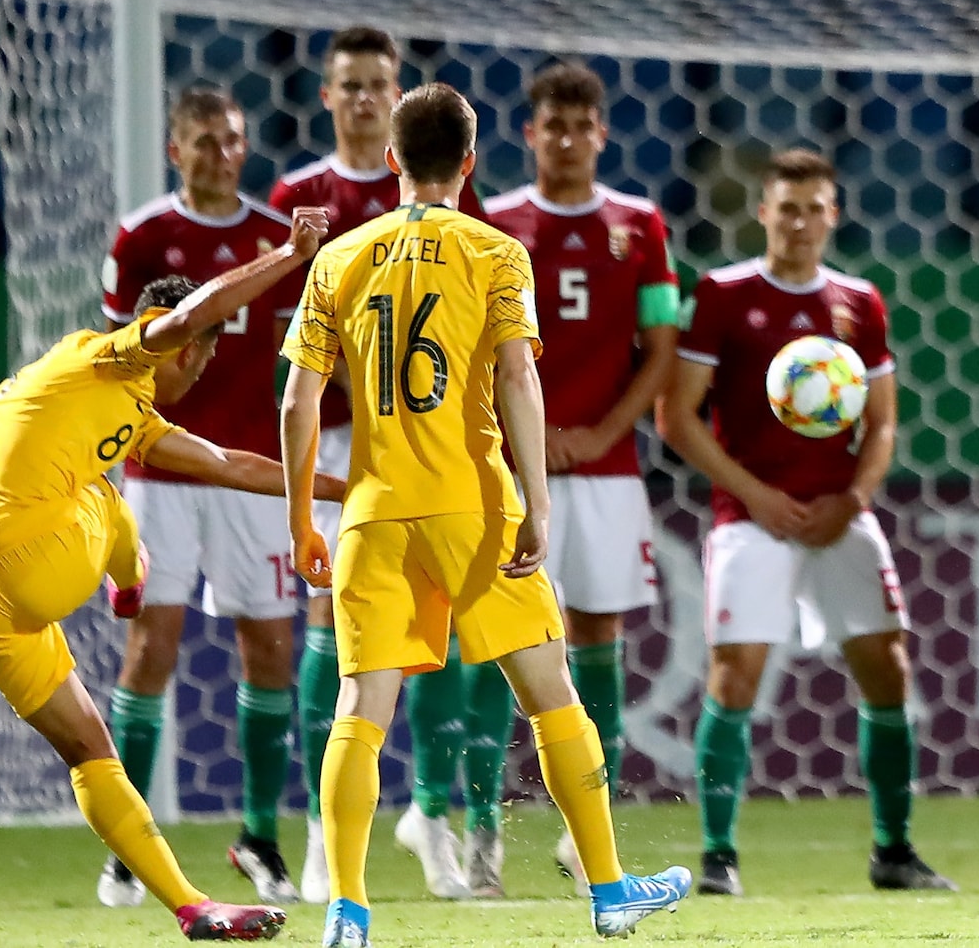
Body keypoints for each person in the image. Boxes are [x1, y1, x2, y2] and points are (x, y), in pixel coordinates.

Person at [279, 83, 688, 946]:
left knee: (361, 706)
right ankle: (610, 890)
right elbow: (517, 377)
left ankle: (347, 909)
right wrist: (538, 502)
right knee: (551, 698)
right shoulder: (498, 253)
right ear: (470, 162)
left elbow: (298, 404)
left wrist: (300, 523)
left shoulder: (337, 260)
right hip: (475, 508)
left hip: (376, 513)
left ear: (391, 160)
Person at [0, 208, 343, 941]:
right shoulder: (108, 355)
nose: (200, 367)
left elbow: (231, 465)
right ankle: (130, 576)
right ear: (181, 346)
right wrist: (289, 254)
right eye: (202, 355)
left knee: (91, 749)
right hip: (25, 557)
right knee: (105, 494)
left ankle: (191, 905)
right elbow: (190, 312)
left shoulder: (118, 409)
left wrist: (349, 487)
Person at [662, 148, 954, 897]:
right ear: (763, 213)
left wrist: (853, 500)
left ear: (834, 214)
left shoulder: (860, 302)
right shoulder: (724, 294)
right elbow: (677, 415)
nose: (799, 221)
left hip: (836, 513)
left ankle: (894, 848)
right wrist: (754, 494)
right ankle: (718, 857)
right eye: (785, 207)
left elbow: (883, 424)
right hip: (751, 518)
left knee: (889, 669)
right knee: (736, 676)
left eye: (813, 207)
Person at [269, 25, 490, 903]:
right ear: (327, 95)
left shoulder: (443, 195)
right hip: (339, 435)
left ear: (396, 98)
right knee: (334, 622)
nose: (363, 96)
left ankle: (430, 812)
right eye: (349, 83)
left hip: (431, 435)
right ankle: (327, 834)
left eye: (378, 83)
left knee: (438, 629)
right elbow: (295, 342)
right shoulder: (299, 195)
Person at [99, 87, 304, 907]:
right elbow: (116, 359)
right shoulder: (143, 237)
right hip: (162, 473)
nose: (224, 153)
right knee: (152, 646)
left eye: (234, 138)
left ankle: (260, 836)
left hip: (251, 473)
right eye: (206, 141)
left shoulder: (274, 238)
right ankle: (127, 845)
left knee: (270, 648)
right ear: (175, 151)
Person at [484, 61, 680, 894]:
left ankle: (585, 830)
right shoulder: (491, 224)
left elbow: (662, 348)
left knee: (597, 637)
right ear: (529, 135)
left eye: (580, 126)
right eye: (551, 126)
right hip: (511, 470)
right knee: (501, 641)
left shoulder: (642, 227)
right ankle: (478, 823)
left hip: (604, 468)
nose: (565, 140)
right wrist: (530, 440)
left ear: (602, 133)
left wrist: (602, 428)